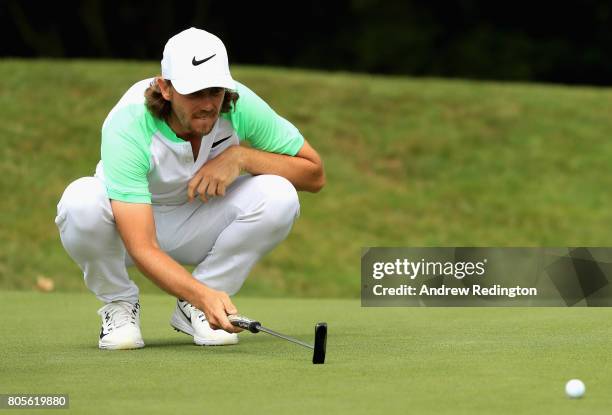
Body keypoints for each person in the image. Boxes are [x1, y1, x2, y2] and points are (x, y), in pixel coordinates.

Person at [54, 27, 325, 350]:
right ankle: (120, 304)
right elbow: (142, 247)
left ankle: (197, 306)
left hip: (198, 218)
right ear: (165, 87)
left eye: (215, 91)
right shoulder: (128, 123)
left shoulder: (237, 104)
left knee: (279, 195)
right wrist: (199, 292)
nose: (209, 104)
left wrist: (242, 157)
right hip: (123, 229)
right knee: (80, 201)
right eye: (195, 93)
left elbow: (314, 174)